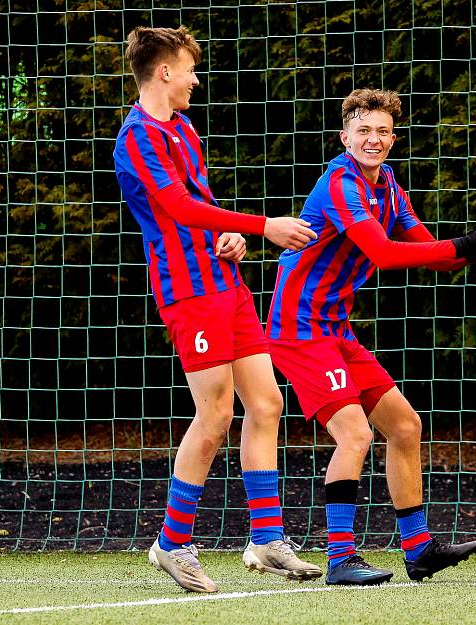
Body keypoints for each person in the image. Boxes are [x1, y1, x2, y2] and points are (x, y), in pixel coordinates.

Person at [266, 88, 476, 585]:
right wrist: (465, 244)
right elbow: (382, 253)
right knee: (355, 434)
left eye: (382, 131)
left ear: (393, 138)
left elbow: (428, 249)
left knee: (404, 426)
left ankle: (419, 550)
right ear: (345, 137)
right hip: (299, 330)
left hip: (335, 329)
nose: (373, 139)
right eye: (363, 130)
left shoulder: (388, 186)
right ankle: (341, 559)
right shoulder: (340, 183)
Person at [113, 26, 322, 593]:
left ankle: (266, 539)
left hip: (224, 282)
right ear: (164, 73)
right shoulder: (137, 139)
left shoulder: (182, 128)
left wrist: (234, 240)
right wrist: (263, 226)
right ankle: (172, 543)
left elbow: (200, 209)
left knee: (267, 401)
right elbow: (176, 207)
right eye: (189, 69)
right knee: (215, 416)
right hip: (189, 291)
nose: (195, 80)